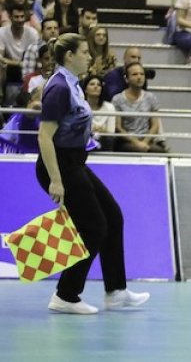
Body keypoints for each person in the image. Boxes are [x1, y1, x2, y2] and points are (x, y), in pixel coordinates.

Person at [34, 34, 150, 314]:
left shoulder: (73, 84)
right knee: (94, 227)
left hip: (75, 161)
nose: (89, 56)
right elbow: (44, 137)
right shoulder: (59, 87)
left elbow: (71, 123)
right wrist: (56, 180)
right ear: (70, 56)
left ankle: (116, 291)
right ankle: (65, 295)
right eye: (84, 52)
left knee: (113, 216)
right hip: (58, 165)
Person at [111, 62, 166, 153]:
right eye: (134, 74)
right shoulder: (117, 99)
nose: (139, 77)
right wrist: (136, 143)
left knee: (161, 152)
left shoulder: (151, 97)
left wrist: (144, 142)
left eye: (142, 74)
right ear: (126, 79)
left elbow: (155, 125)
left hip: (147, 141)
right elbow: (118, 127)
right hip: (126, 142)